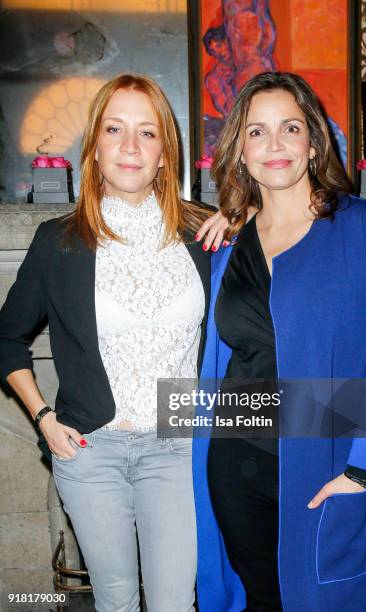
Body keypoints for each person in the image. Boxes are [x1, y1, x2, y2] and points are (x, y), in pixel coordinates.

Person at [0, 73, 228, 612]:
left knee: (176, 603)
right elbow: (6, 337)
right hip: (90, 450)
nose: (131, 145)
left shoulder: (205, 236)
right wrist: (43, 417)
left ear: (165, 155)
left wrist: (242, 216)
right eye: (115, 128)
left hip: (177, 447)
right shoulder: (57, 241)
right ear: (95, 148)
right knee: (115, 602)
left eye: (148, 133)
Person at [192, 72, 366, 611]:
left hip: (329, 467)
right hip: (236, 463)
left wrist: (363, 471)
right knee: (259, 601)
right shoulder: (229, 243)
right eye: (257, 132)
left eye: (289, 127)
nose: (275, 145)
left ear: (313, 140)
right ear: (240, 149)